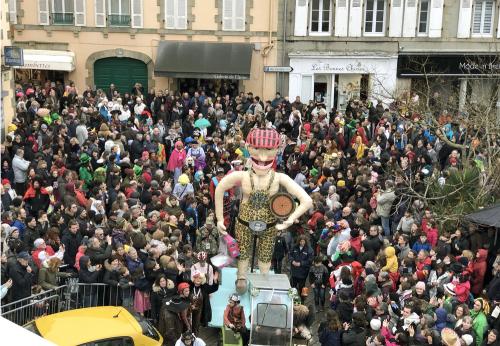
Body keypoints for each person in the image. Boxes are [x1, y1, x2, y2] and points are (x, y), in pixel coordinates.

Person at [290, 235, 314, 303]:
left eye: (303, 241)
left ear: (306, 241)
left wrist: (301, 263)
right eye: (301, 241)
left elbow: (310, 261)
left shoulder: (309, 250)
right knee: (293, 286)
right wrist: (292, 261)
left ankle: (302, 300)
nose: (302, 243)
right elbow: (290, 255)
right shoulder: (294, 247)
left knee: (302, 287)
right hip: (294, 271)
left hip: (303, 272)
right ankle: (292, 299)